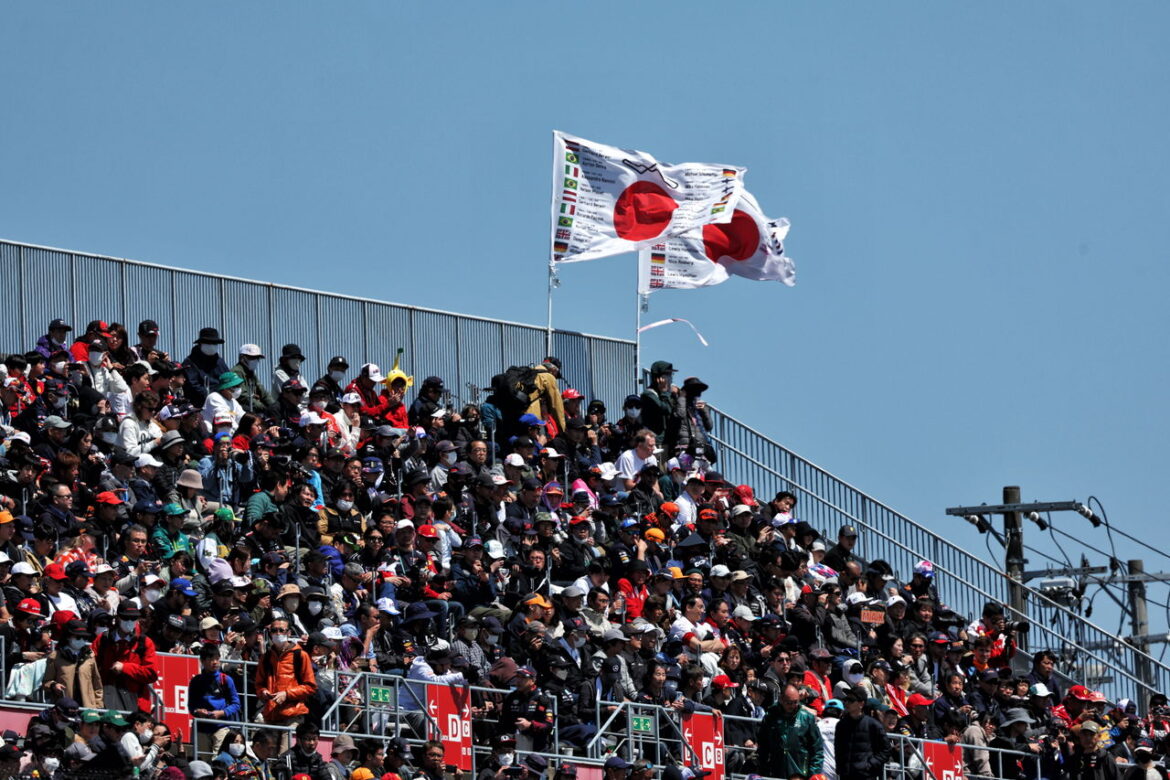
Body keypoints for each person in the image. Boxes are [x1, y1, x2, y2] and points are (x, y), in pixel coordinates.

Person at [92, 601, 158, 712]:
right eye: (126, 618)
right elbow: (90, 665)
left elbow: (151, 674)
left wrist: (125, 668)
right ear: (118, 618)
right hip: (106, 700)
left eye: (133, 618)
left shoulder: (145, 642)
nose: (130, 621)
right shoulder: (103, 639)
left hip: (136, 704)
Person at [757, 682, 825, 779]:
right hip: (776, 772)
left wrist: (813, 774)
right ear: (781, 699)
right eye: (789, 702)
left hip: (800, 773)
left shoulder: (807, 718)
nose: (792, 705)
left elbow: (817, 749)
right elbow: (763, 745)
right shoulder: (771, 716)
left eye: (795, 702)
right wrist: (763, 770)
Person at [835, 686, 890, 780]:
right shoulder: (841, 725)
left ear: (861, 704)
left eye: (851, 700)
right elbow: (838, 749)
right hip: (846, 776)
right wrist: (840, 768)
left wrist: (869, 765)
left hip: (866, 776)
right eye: (846, 699)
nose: (847, 703)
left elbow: (886, 750)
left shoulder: (873, 725)